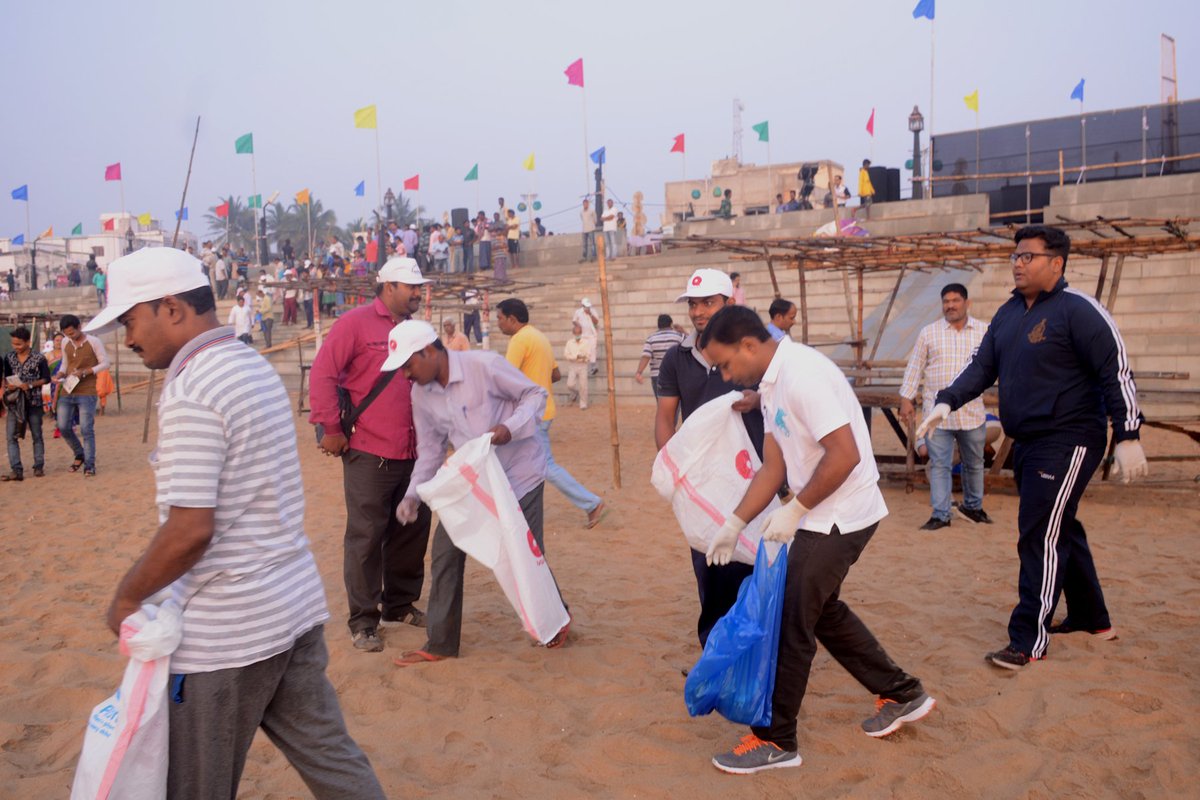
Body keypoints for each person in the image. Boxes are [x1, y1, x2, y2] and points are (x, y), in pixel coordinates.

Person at [84, 247, 385, 799]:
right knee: (333, 760)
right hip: (290, 609)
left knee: (197, 785)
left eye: (130, 320)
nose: (128, 339)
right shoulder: (251, 365)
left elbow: (190, 530)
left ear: (171, 308)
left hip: (226, 636)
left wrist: (126, 600)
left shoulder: (195, 388)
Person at [700, 304, 936, 774]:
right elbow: (774, 465)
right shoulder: (769, 385)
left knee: (793, 618)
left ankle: (776, 739)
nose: (725, 375)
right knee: (822, 609)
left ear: (749, 345)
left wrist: (797, 509)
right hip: (819, 513)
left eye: (726, 363)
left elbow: (845, 454)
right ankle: (903, 693)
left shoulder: (803, 375)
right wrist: (734, 523)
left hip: (842, 515)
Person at [918, 224, 1148, 670]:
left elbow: (1115, 371)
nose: (1019, 264)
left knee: (1038, 533)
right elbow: (981, 367)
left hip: (1070, 439)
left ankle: (1027, 640)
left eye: (1029, 256)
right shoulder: (1007, 314)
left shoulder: (1078, 310)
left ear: (1056, 263)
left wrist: (1128, 435)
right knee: (1060, 526)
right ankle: (1091, 618)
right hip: (1026, 441)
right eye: (1015, 256)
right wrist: (946, 401)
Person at [388, 320, 571, 664]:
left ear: (429, 351)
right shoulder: (420, 395)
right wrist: (412, 494)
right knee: (445, 553)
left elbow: (535, 394)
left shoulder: (483, 366)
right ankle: (440, 642)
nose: (405, 376)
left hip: (519, 473)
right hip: (475, 481)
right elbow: (430, 449)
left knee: (527, 554)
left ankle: (556, 616)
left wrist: (509, 427)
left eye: (408, 365)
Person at [309, 257, 434, 653]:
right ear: (387, 287)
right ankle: (363, 620)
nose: (416, 292)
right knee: (365, 536)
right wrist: (330, 427)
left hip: (417, 451)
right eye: (409, 286)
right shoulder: (354, 324)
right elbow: (323, 373)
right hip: (369, 450)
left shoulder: (420, 330)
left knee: (411, 532)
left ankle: (399, 605)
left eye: (418, 286)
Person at [654, 269, 764, 646]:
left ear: (729, 303)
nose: (700, 311)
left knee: (750, 563)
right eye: (694, 304)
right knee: (706, 565)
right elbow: (665, 416)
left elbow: (779, 397)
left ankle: (753, 647)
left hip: (750, 475)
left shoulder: (751, 349)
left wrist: (757, 400)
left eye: (709, 302)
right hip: (701, 479)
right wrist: (673, 471)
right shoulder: (675, 358)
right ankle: (715, 648)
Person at [498, 298, 607, 529]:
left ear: (512, 319)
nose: (498, 324)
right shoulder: (538, 336)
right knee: (515, 462)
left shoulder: (519, 340)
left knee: (544, 466)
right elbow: (555, 375)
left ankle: (591, 503)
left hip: (532, 415)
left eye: (499, 318)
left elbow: (505, 379)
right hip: (541, 411)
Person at [899, 283, 991, 530]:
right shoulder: (929, 333)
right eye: (946, 301)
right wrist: (906, 398)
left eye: (955, 300)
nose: (950, 305)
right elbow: (915, 367)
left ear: (967, 303)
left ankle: (974, 507)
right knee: (939, 464)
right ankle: (940, 514)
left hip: (972, 412)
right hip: (936, 414)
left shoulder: (985, 332)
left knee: (974, 463)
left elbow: (997, 366)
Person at [54, 314, 110, 477]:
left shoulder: (94, 341)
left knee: (86, 428)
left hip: (87, 390)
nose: (70, 336)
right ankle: (79, 453)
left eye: (72, 333)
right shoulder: (65, 342)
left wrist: (86, 372)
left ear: (79, 327)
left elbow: (105, 363)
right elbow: (65, 363)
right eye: (67, 334)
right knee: (63, 426)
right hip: (68, 387)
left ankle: (89, 464)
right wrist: (60, 374)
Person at [3, 327, 51, 481]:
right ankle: (16, 470)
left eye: (19, 344)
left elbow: (46, 378)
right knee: (11, 436)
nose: (15, 347)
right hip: (15, 403)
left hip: (34, 401)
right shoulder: (9, 357)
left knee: (36, 434)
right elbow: (7, 377)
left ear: (28, 342)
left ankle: (38, 466)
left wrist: (30, 384)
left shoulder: (39, 358)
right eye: (14, 344)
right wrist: (9, 385)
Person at [634, 314, 684, 397]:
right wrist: (683, 331)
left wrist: (639, 372)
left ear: (658, 325)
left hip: (657, 375)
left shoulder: (651, 338)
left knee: (661, 403)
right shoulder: (679, 336)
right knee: (676, 403)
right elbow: (692, 345)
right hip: (675, 374)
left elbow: (646, 356)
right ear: (671, 324)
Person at [564, 322, 589, 409]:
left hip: (583, 365)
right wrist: (575, 357)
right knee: (570, 384)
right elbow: (566, 355)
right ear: (573, 333)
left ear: (581, 333)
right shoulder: (569, 343)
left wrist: (583, 358)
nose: (577, 335)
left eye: (579, 333)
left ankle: (583, 403)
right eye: (576, 333)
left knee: (583, 385)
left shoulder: (586, 342)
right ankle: (574, 393)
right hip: (573, 365)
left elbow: (588, 355)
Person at [573, 298, 600, 376]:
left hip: (592, 334)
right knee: (581, 350)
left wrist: (590, 314)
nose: (587, 308)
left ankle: (593, 367)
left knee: (592, 350)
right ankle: (580, 368)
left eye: (588, 306)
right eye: (585, 306)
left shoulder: (593, 311)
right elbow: (574, 320)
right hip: (583, 335)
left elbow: (596, 321)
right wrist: (578, 325)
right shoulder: (578, 312)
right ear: (582, 305)